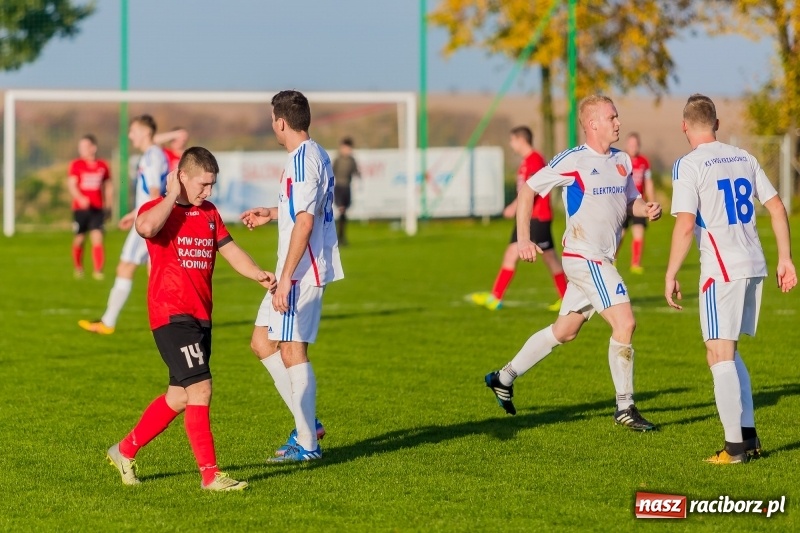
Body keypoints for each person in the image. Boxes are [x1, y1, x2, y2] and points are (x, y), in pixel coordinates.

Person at [484, 95, 661, 431]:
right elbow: (527, 192)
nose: (618, 123)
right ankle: (625, 408)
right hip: (584, 256)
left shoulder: (623, 160)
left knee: (565, 331)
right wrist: (523, 238)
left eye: (617, 117)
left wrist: (645, 208)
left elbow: (630, 201)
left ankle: (503, 377)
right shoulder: (572, 160)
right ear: (592, 124)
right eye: (612, 118)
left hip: (600, 258)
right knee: (625, 323)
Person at [106, 147, 275, 490]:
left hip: (201, 316)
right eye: (203, 184)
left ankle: (123, 450)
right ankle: (211, 476)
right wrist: (170, 196)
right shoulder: (158, 210)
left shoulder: (210, 213)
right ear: (182, 176)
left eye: (212, 185)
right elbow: (145, 228)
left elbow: (230, 251)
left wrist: (257, 273)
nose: (208, 192)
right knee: (200, 388)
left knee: (180, 396)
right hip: (170, 314)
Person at [665, 94, 797, 464]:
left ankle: (734, 448)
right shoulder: (744, 157)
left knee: (720, 353)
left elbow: (686, 222)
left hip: (721, 270)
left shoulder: (688, 165)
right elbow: (776, 207)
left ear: (684, 126)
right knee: (723, 351)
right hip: (754, 262)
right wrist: (785, 258)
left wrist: (671, 272)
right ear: (717, 124)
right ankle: (749, 436)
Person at [240, 90, 344, 462]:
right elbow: (299, 210)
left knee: (292, 350)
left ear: (280, 122)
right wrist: (272, 212)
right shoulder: (309, 155)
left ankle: (309, 445)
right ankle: (308, 423)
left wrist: (285, 279)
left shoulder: (303, 161)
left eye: (273, 119)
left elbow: (305, 221)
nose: (273, 125)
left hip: (301, 272)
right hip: (296, 268)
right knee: (261, 343)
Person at [79, 115, 169, 335]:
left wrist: (149, 219)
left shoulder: (152, 156)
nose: (130, 136)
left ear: (146, 132)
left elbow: (156, 192)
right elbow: (149, 193)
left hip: (148, 222)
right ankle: (170, 320)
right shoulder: (152, 154)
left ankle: (108, 322)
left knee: (127, 267)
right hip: (146, 217)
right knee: (154, 272)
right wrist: (134, 212)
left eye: (133, 131)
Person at [469, 126, 567, 311]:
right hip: (526, 218)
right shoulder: (525, 162)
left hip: (538, 217)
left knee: (550, 258)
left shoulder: (535, 160)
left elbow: (534, 189)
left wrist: (514, 206)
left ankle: (566, 298)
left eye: (512, 140)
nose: (511, 144)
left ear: (521, 140)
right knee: (511, 254)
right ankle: (495, 297)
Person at [67, 134, 113, 280]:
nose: (82, 150)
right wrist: (80, 198)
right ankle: (78, 267)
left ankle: (98, 271)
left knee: (97, 237)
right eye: (80, 147)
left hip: (97, 209)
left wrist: (109, 205)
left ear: (93, 147)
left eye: (85, 147)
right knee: (79, 239)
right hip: (80, 209)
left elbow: (108, 186)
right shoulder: (76, 165)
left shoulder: (102, 165)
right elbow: (72, 184)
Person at [618, 132, 654, 274]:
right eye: (631, 144)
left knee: (639, 232)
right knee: (620, 235)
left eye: (636, 145)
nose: (633, 147)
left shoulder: (644, 162)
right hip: (623, 203)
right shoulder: (621, 160)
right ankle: (612, 260)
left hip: (639, 203)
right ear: (627, 145)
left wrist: (651, 201)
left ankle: (635, 264)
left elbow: (648, 183)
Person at [332, 137, 360, 245]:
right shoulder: (338, 159)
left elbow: (355, 171)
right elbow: (332, 171)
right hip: (339, 187)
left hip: (347, 188)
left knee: (344, 213)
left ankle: (341, 236)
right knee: (342, 210)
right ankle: (339, 237)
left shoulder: (352, 160)